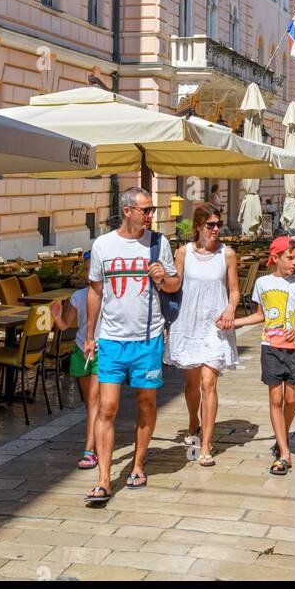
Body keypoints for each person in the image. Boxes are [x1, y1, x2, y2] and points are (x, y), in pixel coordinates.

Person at [82, 188, 179, 505]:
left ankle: (137, 465)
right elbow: (95, 291)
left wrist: (163, 277)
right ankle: (104, 480)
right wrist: (89, 334)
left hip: (148, 338)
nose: (151, 215)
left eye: (151, 210)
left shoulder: (158, 243)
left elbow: (176, 285)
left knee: (146, 404)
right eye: (146, 210)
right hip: (111, 339)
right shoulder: (103, 245)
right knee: (106, 407)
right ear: (127, 211)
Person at [166, 203, 239, 466]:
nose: (217, 229)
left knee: (209, 382)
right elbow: (175, 285)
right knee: (191, 384)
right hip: (188, 324)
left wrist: (231, 308)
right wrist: (161, 279)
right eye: (211, 225)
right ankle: (192, 421)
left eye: (218, 224)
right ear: (198, 226)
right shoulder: (183, 252)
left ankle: (206, 444)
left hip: (216, 325)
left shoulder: (227, 254)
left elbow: (234, 290)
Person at [232, 235, 295, 475]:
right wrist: (234, 323)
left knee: (291, 400)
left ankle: (281, 435)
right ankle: (284, 453)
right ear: (275, 258)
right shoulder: (262, 283)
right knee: (276, 399)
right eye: (289, 258)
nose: (294, 262)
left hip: (294, 346)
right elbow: (261, 315)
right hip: (270, 346)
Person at [49, 251, 101, 470]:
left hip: (102, 351)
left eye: (93, 269)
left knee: (95, 402)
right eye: (87, 269)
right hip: (80, 351)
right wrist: (57, 316)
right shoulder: (78, 297)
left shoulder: (109, 296)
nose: (90, 273)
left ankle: (90, 451)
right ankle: (97, 441)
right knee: (90, 403)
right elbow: (64, 326)